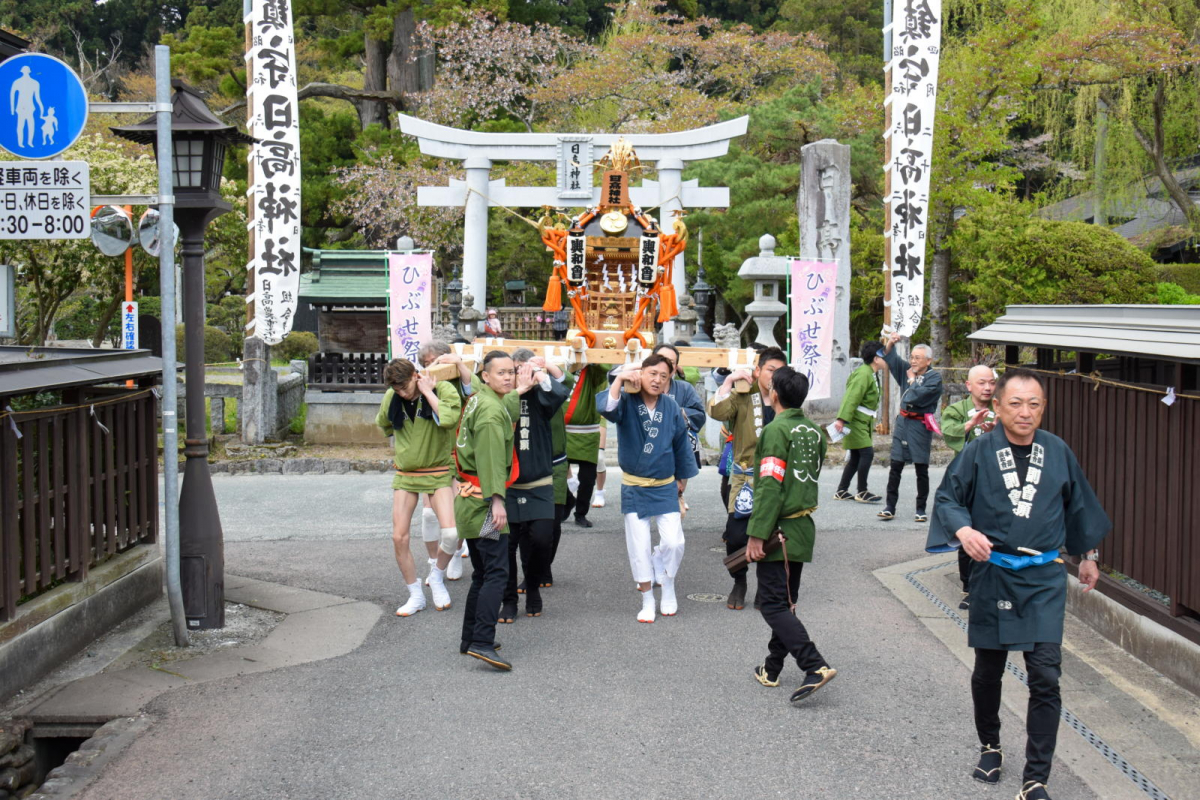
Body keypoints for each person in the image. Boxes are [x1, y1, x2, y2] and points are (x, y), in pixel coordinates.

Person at [927, 369, 1110, 800]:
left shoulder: (1058, 450)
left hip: (1044, 576)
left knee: (1046, 674)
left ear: (1043, 408)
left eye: (1034, 404)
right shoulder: (979, 450)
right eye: (1015, 403)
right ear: (997, 406)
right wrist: (965, 531)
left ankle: (1036, 777)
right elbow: (948, 498)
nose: (1025, 412)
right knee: (988, 670)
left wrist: (1089, 555)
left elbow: (1079, 503)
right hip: (993, 572)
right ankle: (990, 744)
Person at [745, 366, 837, 703]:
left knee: (772, 604)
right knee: (785, 602)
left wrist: (756, 534)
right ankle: (771, 668)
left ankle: (814, 664)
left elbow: (769, 486)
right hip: (801, 528)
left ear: (774, 395)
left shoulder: (775, 430)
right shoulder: (813, 431)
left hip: (778, 530)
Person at [599, 354, 699, 623]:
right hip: (635, 486)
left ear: (669, 381)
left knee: (674, 542)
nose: (657, 380)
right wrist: (619, 378)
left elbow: (681, 444)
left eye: (663, 376)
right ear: (641, 374)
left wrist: (682, 480)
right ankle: (647, 599)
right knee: (638, 545)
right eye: (652, 373)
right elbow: (607, 408)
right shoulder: (628, 403)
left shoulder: (671, 406)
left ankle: (667, 583)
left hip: (665, 485)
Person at [374, 358, 462, 617]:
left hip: (437, 471)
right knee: (398, 537)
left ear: (415, 375)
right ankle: (415, 594)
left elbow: (448, 418)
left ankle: (436, 575)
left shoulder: (441, 388)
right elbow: (384, 425)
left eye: (405, 386)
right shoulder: (393, 395)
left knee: (451, 534)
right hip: (406, 473)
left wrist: (426, 392)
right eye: (396, 389)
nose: (402, 392)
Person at [708, 347, 787, 611]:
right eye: (770, 370)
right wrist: (729, 381)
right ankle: (739, 581)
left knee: (773, 536)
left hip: (776, 479)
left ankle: (767, 589)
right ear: (758, 371)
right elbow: (717, 412)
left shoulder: (787, 400)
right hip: (745, 478)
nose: (774, 377)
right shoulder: (744, 395)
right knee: (736, 535)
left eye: (780, 372)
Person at [455, 351, 518, 670]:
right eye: (501, 373)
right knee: (497, 573)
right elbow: (493, 459)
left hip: (467, 500)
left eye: (512, 372)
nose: (508, 377)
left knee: (482, 573)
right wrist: (497, 500)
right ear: (486, 376)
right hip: (483, 504)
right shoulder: (492, 412)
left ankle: (470, 637)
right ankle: (481, 640)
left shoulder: (480, 398)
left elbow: (510, 405)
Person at [500, 349, 568, 623]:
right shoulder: (500, 399)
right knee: (504, 546)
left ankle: (532, 584)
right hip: (506, 486)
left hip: (539, 482)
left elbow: (559, 393)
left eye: (521, 369)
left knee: (541, 539)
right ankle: (508, 599)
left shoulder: (540, 395)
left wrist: (539, 372)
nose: (518, 374)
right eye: (511, 370)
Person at [939, 364, 998, 609]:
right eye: (982, 383)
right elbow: (948, 432)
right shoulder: (956, 409)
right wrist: (970, 424)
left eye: (991, 383)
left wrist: (997, 432)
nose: (987, 388)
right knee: (967, 533)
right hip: (967, 481)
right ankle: (969, 587)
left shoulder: (1002, 407)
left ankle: (994, 584)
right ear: (969, 386)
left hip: (997, 481)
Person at [417, 341, 475, 580]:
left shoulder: (458, 378)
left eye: (436, 360)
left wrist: (459, 364)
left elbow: (473, 390)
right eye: (427, 363)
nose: (432, 366)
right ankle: (433, 560)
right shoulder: (421, 383)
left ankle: (455, 550)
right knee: (429, 514)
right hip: (431, 454)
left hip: (459, 453)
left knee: (457, 510)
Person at [879, 333, 943, 522]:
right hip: (903, 422)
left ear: (928, 360)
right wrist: (890, 342)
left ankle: (921, 508)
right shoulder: (907, 370)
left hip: (920, 425)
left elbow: (918, 396)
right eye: (912, 357)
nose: (913, 361)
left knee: (921, 468)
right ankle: (890, 506)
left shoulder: (934, 378)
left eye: (918, 358)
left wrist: (912, 381)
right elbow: (890, 356)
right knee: (895, 464)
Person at [832, 341, 887, 504]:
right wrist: (841, 419)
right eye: (884, 355)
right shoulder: (863, 374)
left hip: (862, 420)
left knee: (856, 456)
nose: (887, 359)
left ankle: (842, 490)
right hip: (855, 420)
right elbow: (852, 397)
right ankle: (862, 491)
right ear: (876, 359)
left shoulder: (870, 372)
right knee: (866, 453)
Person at [563, 362, 609, 527]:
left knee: (588, 479)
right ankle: (567, 500)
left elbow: (605, 368)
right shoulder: (560, 366)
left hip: (588, 432)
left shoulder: (592, 371)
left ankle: (581, 513)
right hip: (562, 431)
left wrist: (591, 358)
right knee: (557, 474)